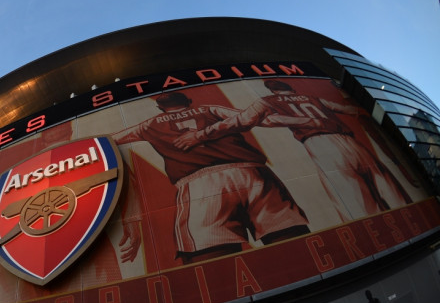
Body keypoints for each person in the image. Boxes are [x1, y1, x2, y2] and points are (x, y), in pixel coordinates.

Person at [113, 91, 309, 263]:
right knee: (290, 239)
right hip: (254, 173)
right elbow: (260, 120)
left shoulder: (148, 124)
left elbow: (112, 139)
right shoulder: (210, 109)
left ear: (159, 107)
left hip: (202, 184)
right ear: (189, 101)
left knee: (211, 256)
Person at [174, 79, 412, 220]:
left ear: (271, 89)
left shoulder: (268, 102)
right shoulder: (312, 98)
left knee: (355, 198)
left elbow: (241, 121)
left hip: (319, 143)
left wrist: (200, 135)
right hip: (349, 140)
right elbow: (351, 110)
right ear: (288, 87)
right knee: (387, 186)